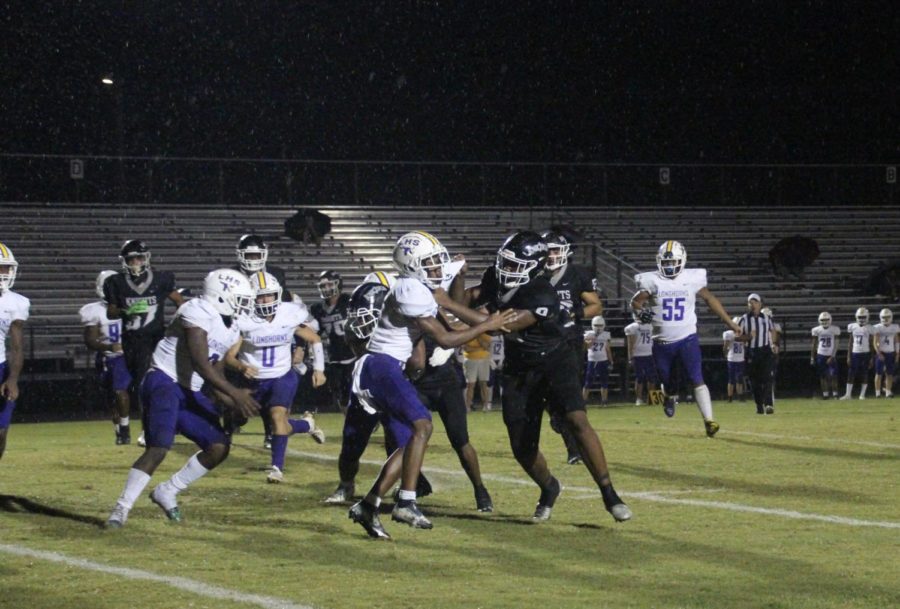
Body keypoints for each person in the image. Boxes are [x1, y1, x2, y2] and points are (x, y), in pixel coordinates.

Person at [449, 231, 631, 523]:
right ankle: (549, 487)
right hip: (519, 367)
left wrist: (445, 302)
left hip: (554, 362)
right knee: (521, 445)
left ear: (534, 265)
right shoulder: (497, 278)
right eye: (505, 263)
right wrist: (458, 278)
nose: (506, 270)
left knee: (576, 419)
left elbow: (498, 327)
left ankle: (609, 493)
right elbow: (466, 301)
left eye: (514, 265)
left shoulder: (542, 291)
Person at [347, 231, 514, 539]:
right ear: (412, 265)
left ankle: (368, 506)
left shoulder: (419, 285)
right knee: (422, 427)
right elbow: (445, 338)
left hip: (387, 367)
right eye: (430, 263)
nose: (438, 268)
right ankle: (406, 502)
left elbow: (451, 323)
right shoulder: (411, 288)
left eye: (438, 261)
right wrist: (487, 324)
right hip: (380, 366)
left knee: (413, 434)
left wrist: (485, 322)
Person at [105, 269, 260, 528]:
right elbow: (200, 362)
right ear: (221, 296)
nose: (245, 305)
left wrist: (233, 402)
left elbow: (216, 371)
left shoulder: (231, 328)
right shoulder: (196, 309)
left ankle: (167, 490)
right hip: (164, 381)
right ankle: (121, 509)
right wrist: (235, 393)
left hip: (190, 389)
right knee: (159, 448)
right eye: (241, 299)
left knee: (219, 446)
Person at [225, 271, 327, 484]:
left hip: (282, 376)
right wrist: (240, 366)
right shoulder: (244, 319)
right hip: (253, 381)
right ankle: (306, 425)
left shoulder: (288, 314)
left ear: (278, 295)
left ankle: (276, 468)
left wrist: (319, 369)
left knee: (277, 419)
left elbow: (315, 339)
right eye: (260, 296)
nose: (265, 300)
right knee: (239, 417)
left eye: (269, 295)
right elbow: (229, 357)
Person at [632, 241, 741, 435]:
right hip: (661, 343)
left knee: (696, 378)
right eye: (665, 263)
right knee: (669, 383)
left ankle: (709, 420)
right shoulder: (653, 281)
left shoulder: (691, 279)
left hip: (687, 339)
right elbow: (636, 301)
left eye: (673, 261)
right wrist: (642, 312)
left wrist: (729, 322)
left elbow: (709, 299)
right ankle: (669, 397)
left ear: (682, 260)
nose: (669, 266)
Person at [104, 240, 185, 444]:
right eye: (132, 259)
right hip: (131, 341)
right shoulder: (116, 282)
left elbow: (179, 302)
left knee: (147, 386)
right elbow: (111, 311)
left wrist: (179, 326)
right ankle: (155, 426)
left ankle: (149, 429)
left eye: (139, 257)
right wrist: (126, 311)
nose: (136, 262)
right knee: (137, 388)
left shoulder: (160, 279)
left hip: (154, 340)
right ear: (125, 261)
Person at [539, 229, 602, 465]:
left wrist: (576, 313)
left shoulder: (577, 274)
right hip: (541, 341)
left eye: (555, 250)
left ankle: (574, 448)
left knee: (570, 397)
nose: (551, 255)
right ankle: (558, 418)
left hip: (569, 342)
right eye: (548, 251)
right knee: (547, 396)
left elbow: (596, 305)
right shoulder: (535, 274)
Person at [232, 234, 290, 445]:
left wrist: (298, 344)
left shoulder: (276, 275)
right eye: (250, 254)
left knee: (269, 381)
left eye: (257, 254)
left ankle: (269, 431)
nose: (254, 259)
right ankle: (234, 420)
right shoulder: (231, 275)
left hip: (266, 331)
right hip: (239, 331)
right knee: (238, 386)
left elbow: (286, 306)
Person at [80, 270, 132, 444]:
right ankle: (119, 429)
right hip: (105, 357)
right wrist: (110, 346)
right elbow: (90, 341)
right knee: (111, 396)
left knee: (120, 390)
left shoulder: (129, 307)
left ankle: (125, 428)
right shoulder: (94, 310)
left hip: (124, 357)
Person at [309, 270, 355, 413]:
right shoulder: (317, 309)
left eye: (329, 285)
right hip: (335, 356)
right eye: (323, 286)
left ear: (338, 284)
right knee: (340, 394)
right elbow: (315, 334)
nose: (326, 289)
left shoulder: (349, 302)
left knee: (358, 391)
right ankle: (349, 419)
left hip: (354, 354)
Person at [0, 243, 28, 462]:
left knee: (1, 431)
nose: (5, 273)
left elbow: (17, 346)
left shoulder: (16, 302)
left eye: (6, 268)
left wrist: (13, 378)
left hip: (0, 366)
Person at [739, 294, 777, 414]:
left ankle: (768, 404)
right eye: (750, 302)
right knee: (754, 381)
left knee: (767, 378)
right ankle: (759, 404)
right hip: (751, 352)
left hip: (765, 350)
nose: (752, 304)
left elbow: (773, 330)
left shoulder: (766, 318)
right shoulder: (744, 319)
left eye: (755, 302)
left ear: (760, 304)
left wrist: (774, 343)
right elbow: (737, 336)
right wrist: (748, 336)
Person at [624, 310, 657, 405]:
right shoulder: (634, 327)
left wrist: (630, 357)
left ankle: (651, 399)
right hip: (639, 355)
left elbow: (630, 344)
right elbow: (630, 343)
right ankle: (639, 398)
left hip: (648, 354)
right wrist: (631, 357)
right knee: (640, 378)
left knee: (649, 378)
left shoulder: (647, 326)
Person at [841, 308, 873, 400]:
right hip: (855, 352)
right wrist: (848, 356)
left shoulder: (870, 328)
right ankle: (848, 394)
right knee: (851, 373)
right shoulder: (852, 326)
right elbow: (850, 342)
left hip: (865, 353)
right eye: (860, 317)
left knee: (864, 373)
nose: (862, 319)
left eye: (864, 317)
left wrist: (871, 357)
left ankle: (862, 395)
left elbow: (871, 343)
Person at [582, 316, 612, 405]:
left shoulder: (606, 334)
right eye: (596, 325)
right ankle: (583, 401)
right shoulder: (588, 334)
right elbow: (586, 347)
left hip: (603, 359)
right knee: (588, 382)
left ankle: (604, 401)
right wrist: (594, 337)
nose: (598, 327)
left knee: (604, 381)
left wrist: (611, 360)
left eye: (600, 325)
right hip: (592, 360)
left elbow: (608, 349)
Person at [810, 312, 841, 399]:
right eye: (823, 320)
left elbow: (836, 343)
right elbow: (814, 344)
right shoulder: (816, 330)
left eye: (826, 320)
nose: (824, 321)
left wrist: (833, 356)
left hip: (830, 354)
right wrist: (812, 357)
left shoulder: (834, 329)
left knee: (833, 375)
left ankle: (835, 394)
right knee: (823, 376)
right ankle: (825, 394)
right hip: (821, 354)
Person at [462, 332, 493, 411]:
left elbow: (487, 346)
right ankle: (467, 406)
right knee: (470, 384)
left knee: (483, 383)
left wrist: (477, 336)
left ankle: (486, 406)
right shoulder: (467, 333)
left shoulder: (485, 334)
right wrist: (480, 348)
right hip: (470, 360)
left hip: (484, 359)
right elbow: (466, 348)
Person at [872, 308, 898, 398]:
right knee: (878, 373)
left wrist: (898, 353)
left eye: (888, 317)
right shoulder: (877, 327)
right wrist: (879, 353)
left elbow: (897, 341)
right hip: (881, 352)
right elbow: (875, 342)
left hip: (890, 352)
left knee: (889, 373)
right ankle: (878, 393)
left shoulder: (895, 327)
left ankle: (888, 392)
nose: (886, 319)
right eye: (884, 317)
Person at [723, 316, 746, 403]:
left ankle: (740, 397)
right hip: (732, 359)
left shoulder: (743, 333)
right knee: (731, 379)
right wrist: (725, 353)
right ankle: (730, 398)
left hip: (740, 359)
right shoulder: (729, 333)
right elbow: (725, 346)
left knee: (739, 379)